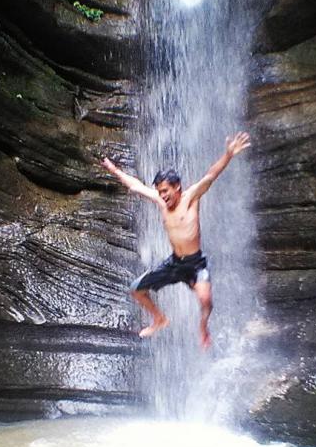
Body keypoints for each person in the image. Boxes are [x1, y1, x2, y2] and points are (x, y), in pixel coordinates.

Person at [101, 132, 250, 349]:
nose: (162, 196)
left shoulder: (190, 198)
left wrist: (228, 155)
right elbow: (136, 186)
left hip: (195, 263)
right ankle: (159, 319)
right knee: (136, 290)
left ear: (177, 187)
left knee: (205, 299)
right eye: (159, 192)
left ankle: (203, 327)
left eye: (165, 191)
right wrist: (114, 170)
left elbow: (210, 176)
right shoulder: (161, 202)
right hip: (174, 263)